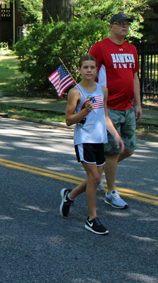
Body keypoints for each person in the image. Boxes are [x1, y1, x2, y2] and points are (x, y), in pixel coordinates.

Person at [60, 55, 124, 235]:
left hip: (100, 140)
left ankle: (69, 196)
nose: (89, 70)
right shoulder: (75, 92)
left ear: (97, 70)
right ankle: (92, 219)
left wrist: (116, 135)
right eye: (85, 67)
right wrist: (84, 111)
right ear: (79, 69)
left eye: (92, 67)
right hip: (84, 140)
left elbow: (104, 117)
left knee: (94, 179)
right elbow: (68, 120)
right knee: (95, 179)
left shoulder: (102, 90)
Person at [89, 13, 141, 209]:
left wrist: (138, 104)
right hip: (108, 107)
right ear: (111, 26)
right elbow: (90, 74)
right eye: (121, 23)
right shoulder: (100, 47)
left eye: (127, 23)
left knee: (128, 148)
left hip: (127, 107)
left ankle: (98, 172)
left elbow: (134, 77)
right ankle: (111, 192)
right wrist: (93, 103)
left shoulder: (132, 49)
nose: (125, 26)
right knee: (112, 151)